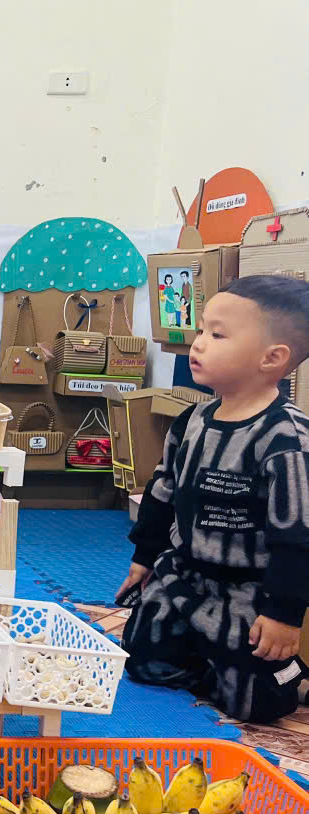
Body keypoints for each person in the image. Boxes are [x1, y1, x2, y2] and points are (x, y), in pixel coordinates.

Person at [117, 275, 309, 723]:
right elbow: (161, 492)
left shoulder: (286, 439)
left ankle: (291, 676)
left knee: (257, 705)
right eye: (201, 329)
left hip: (248, 592)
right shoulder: (192, 420)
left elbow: (297, 536)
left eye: (217, 335)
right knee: (141, 660)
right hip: (182, 574)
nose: (198, 343)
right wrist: (144, 558)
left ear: (272, 358)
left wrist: (283, 615)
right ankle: (210, 664)